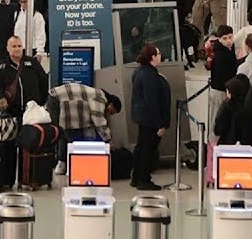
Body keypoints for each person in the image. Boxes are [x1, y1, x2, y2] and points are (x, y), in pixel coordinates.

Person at [45, 83, 121, 175]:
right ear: (111, 104)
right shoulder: (100, 97)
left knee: (64, 132)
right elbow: (98, 118)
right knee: (67, 134)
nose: (108, 115)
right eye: (110, 112)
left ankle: (62, 164)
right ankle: (69, 167)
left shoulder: (95, 94)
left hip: (54, 97)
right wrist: (108, 138)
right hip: (57, 99)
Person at [130, 44, 171, 190]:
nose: (160, 55)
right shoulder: (149, 75)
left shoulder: (141, 71)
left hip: (144, 117)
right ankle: (143, 179)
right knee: (147, 149)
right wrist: (160, 123)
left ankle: (137, 177)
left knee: (141, 147)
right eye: (158, 53)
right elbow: (152, 101)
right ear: (153, 57)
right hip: (150, 119)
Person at [0, 35, 51, 122]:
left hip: (32, 113)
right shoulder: (1, 67)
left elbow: (43, 81)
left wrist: (41, 102)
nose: (17, 49)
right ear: (7, 48)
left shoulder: (33, 63)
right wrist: (1, 98)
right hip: (11, 114)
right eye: (14, 46)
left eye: (19, 46)